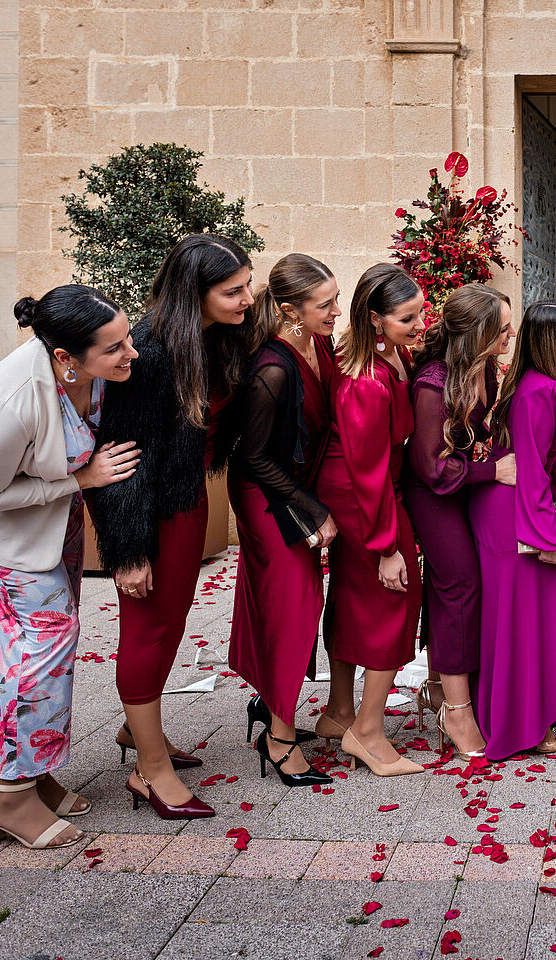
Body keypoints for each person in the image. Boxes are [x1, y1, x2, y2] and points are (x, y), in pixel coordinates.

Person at [0, 285, 140, 848]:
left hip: (55, 524)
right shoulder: (12, 399)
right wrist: (81, 479)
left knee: (53, 649)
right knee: (37, 652)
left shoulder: (88, 370)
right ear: (64, 357)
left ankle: (37, 774)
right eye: (114, 348)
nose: (130, 353)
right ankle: (9, 797)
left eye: (127, 338)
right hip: (5, 533)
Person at [91, 234, 261, 821]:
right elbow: (122, 458)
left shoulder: (219, 338)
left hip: (188, 501)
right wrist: (128, 550)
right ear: (196, 293)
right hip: (150, 512)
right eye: (233, 290)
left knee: (173, 622)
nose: (247, 298)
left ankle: (137, 731)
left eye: (247, 284)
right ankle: (150, 770)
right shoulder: (148, 353)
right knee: (147, 629)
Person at [229, 256, 339, 789]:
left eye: (336, 300)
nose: (336, 312)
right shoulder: (272, 367)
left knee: (293, 601)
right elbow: (252, 457)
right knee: (296, 602)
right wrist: (314, 508)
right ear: (290, 310)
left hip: (293, 485)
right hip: (265, 492)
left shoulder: (319, 343)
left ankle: (271, 701)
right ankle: (278, 737)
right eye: (325, 305)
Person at [315, 263, 428, 777]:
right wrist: (386, 546)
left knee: (351, 595)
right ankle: (368, 730)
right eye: (408, 318)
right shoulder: (364, 379)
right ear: (375, 320)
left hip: (371, 485)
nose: (419, 325)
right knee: (394, 596)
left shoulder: (393, 354)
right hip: (365, 494)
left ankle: (340, 711)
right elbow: (368, 468)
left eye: (421, 313)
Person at [402, 284, 517, 759]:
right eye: (502, 329)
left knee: (459, 584)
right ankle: (457, 710)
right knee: (461, 585)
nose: (510, 335)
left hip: (462, 483)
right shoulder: (433, 383)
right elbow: (429, 466)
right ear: (476, 333)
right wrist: (493, 471)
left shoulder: (484, 367)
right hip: (431, 492)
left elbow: (473, 429)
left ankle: (437, 687)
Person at [471, 300, 556, 761]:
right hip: (514, 513)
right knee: (522, 622)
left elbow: (540, 460)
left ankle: (523, 719)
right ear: (553, 345)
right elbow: (531, 466)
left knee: (523, 617)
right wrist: (547, 535)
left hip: (510, 507)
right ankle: (524, 728)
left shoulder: (531, 382)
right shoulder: (543, 390)